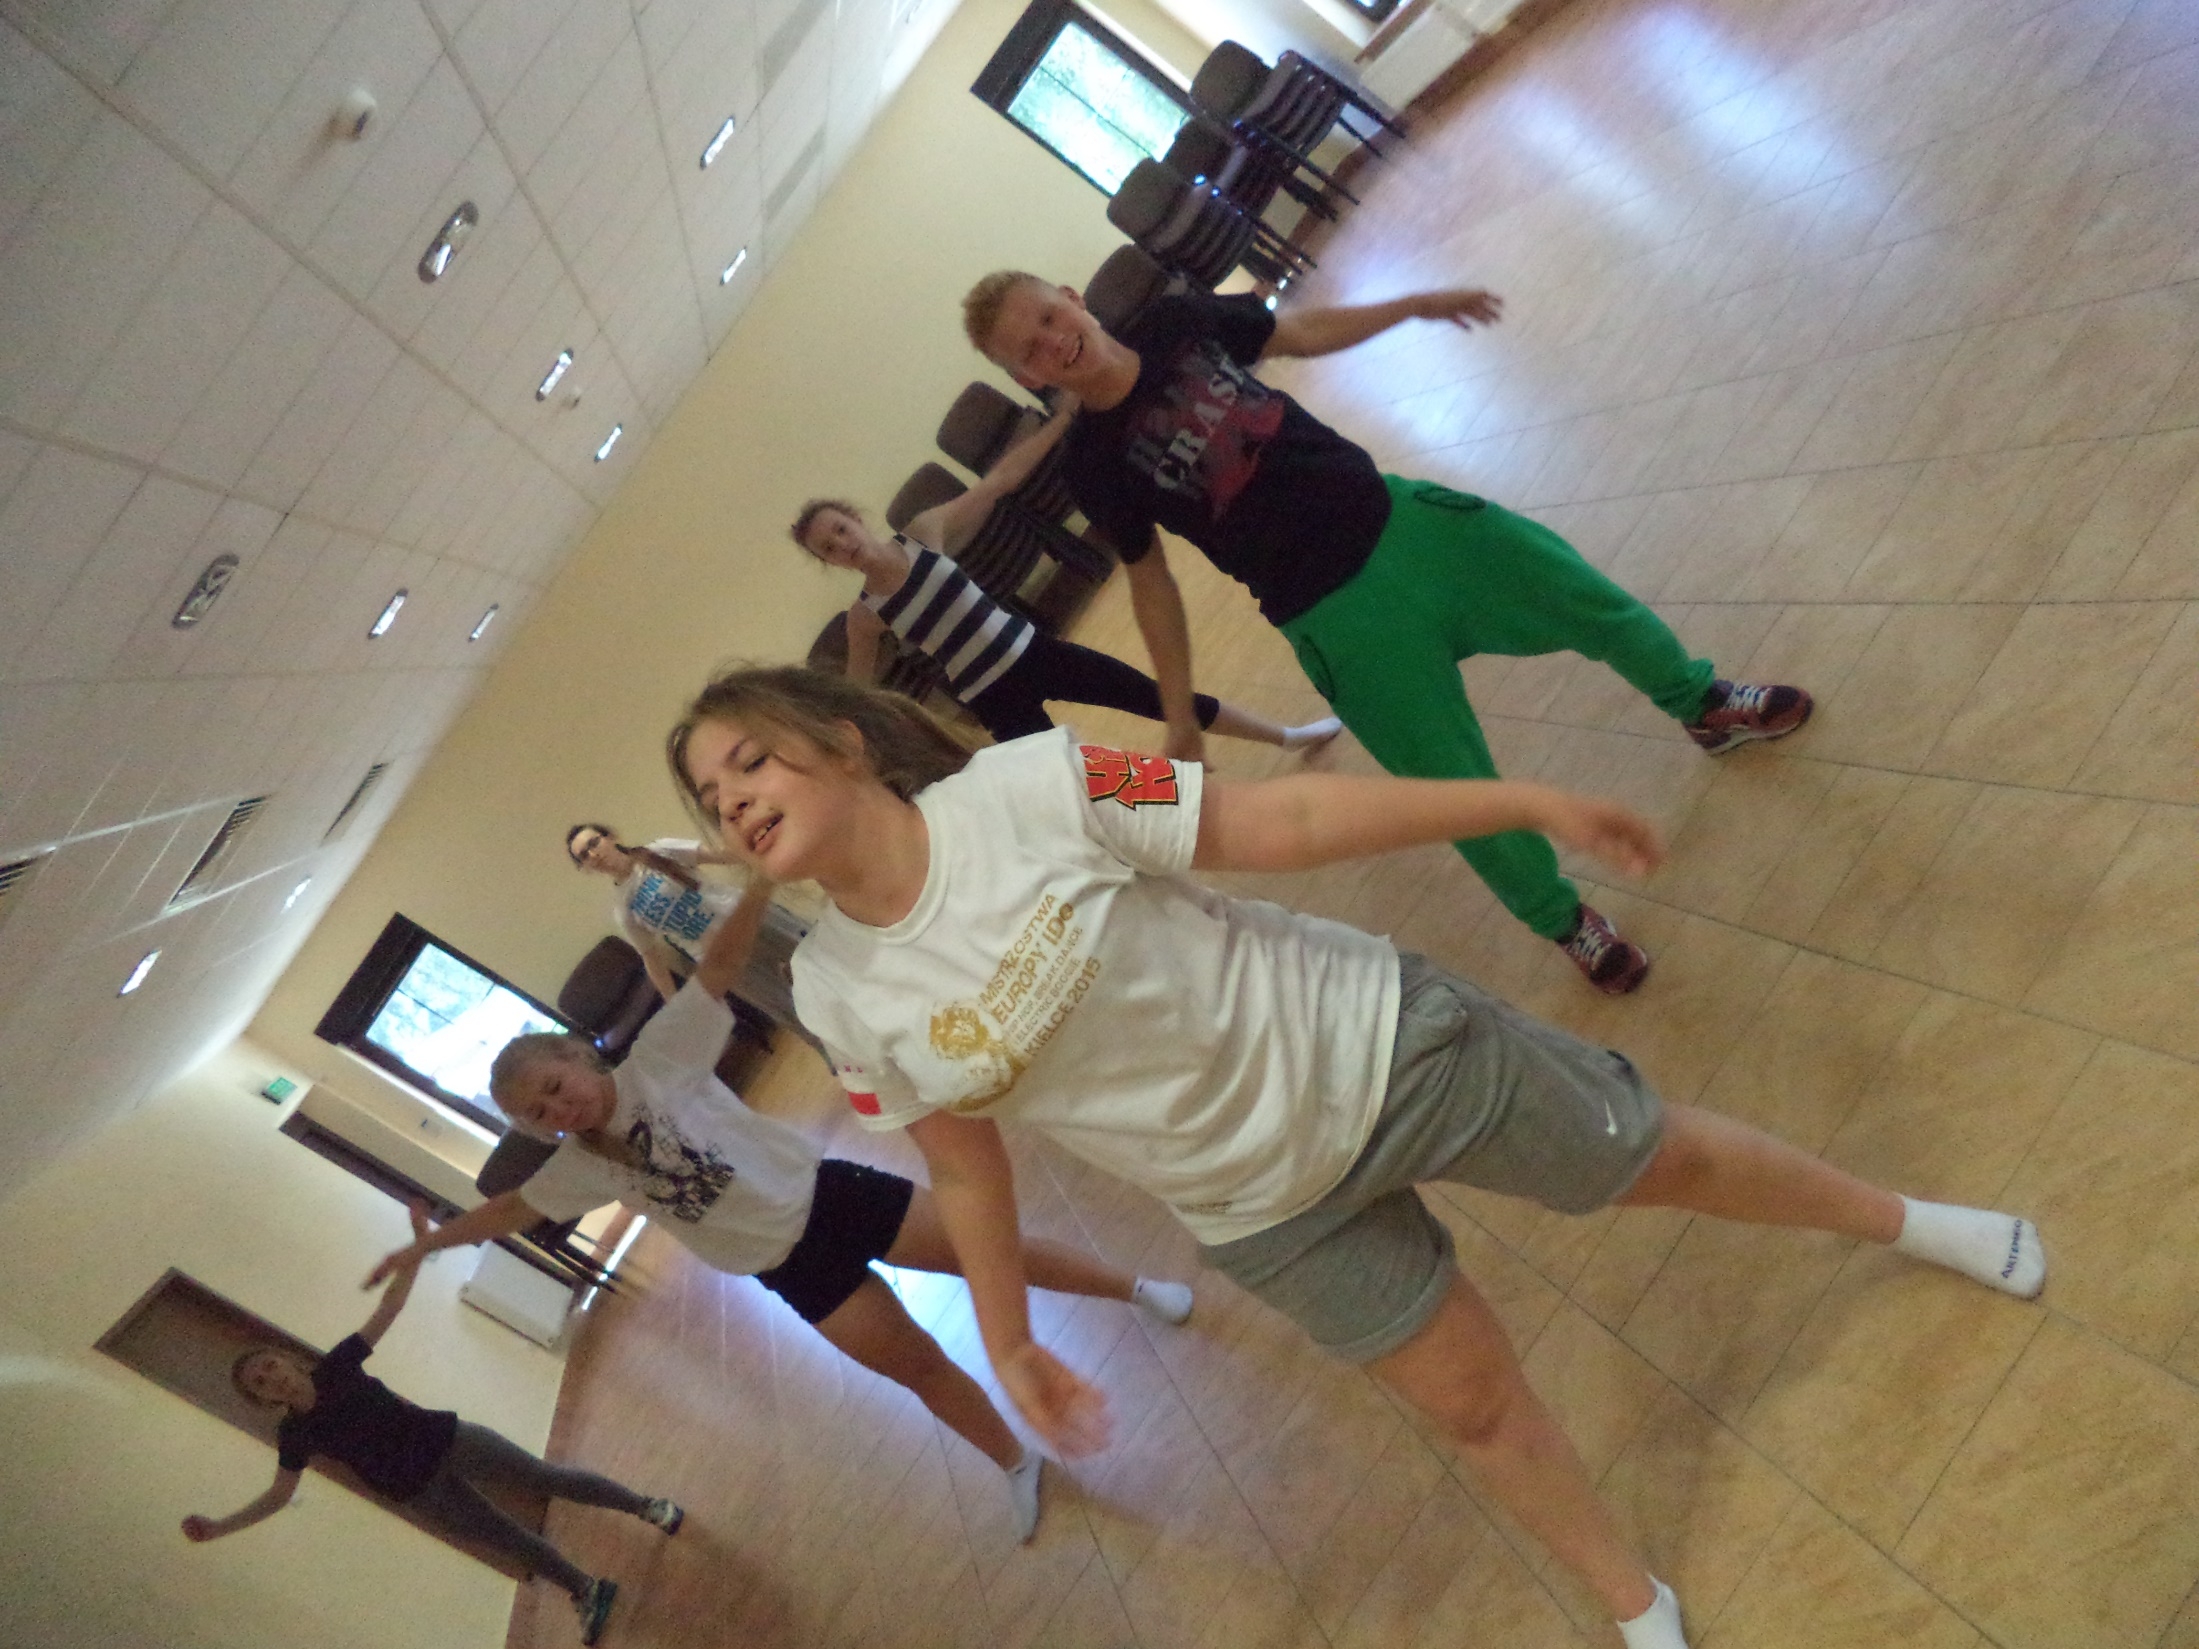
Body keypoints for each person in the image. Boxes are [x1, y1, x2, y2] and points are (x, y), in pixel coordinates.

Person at [665, 666, 2048, 1649]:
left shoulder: (1038, 780)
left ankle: (1908, 1220)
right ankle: (1635, 1602)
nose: (735, 802)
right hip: (1261, 1206)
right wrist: (1011, 1333)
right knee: (1470, 1405)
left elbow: (1275, 822)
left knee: (1660, 1157)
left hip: (1381, 1045)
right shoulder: (836, 992)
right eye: (713, 799)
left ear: (842, 742)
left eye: (750, 762)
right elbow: (963, 1165)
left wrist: (1516, 798)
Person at [959, 272, 1819, 993]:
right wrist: (1180, 717)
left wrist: (1411, 305)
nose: (1052, 342)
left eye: (1048, 317)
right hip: (1333, 617)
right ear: (1024, 375)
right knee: (1455, 786)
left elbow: (1297, 331)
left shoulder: (1179, 321)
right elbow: (1151, 582)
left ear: (1071, 297)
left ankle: (1702, 702)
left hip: (1410, 524)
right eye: (1028, 349)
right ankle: (1564, 922)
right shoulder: (1093, 465)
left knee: (1589, 601)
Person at [366, 877, 1195, 1543]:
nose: (558, 1108)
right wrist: (426, 1245)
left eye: (555, 1085)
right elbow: (511, 1208)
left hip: (834, 1197)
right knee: (916, 1367)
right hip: (789, 1267)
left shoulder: (660, 1057)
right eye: (538, 1113)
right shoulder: (577, 1168)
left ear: (579, 1055)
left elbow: (720, 967)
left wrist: (758, 881)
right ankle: (1015, 1461)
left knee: (999, 1254)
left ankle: (1136, 1288)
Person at [185, 1204, 671, 1645]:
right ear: (262, 1399)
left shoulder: (336, 1366)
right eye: (260, 1383)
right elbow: (278, 1496)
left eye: (269, 1366)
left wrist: (419, 1245)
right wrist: (220, 1528)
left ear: (286, 1360)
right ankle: (586, 1589)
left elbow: (389, 1307)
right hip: (420, 1492)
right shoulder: (293, 1435)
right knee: (507, 1538)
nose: (271, 1378)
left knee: (546, 1478)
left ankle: (648, 1507)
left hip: (450, 1440)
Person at [794, 498, 1339, 752]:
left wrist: (1056, 423)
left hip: (1037, 653)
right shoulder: (865, 617)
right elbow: (857, 695)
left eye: (840, 529)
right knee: (1073, 779)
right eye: (828, 548)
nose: (842, 544)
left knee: (1154, 696)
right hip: (992, 700)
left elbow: (1000, 481)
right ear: (829, 562)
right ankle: (1164, 820)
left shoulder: (922, 533)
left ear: (855, 517)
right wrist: (824, 734)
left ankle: (1285, 736)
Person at [564, 822, 823, 1061]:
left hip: (749, 917)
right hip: (722, 961)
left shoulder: (659, 851)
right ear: (585, 868)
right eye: (584, 856)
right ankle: (838, 1058)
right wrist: (675, 1005)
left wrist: (774, 854)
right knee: (785, 1007)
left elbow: (720, 856)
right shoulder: (624, 909)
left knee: (818, 958)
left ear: (609, 837)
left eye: (594, 843)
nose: (593, 854)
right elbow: (651, 958)